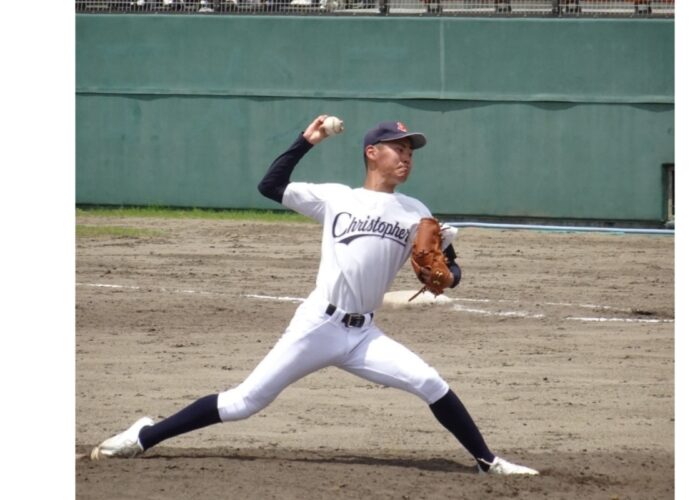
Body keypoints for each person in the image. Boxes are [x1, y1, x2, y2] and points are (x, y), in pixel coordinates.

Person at [89, 116, 539, 477]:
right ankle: (144, 436)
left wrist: (449, 278)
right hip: (318, 325)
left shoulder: (416, 212)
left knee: (430, 383)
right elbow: (270, 186)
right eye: (398, 148)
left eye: (410, 151)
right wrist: (306, 141)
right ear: (372, 153)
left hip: (365, 335)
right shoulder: (336, 199)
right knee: (244, 403)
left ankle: (488, 461)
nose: (406, 157)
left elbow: (451, 265)